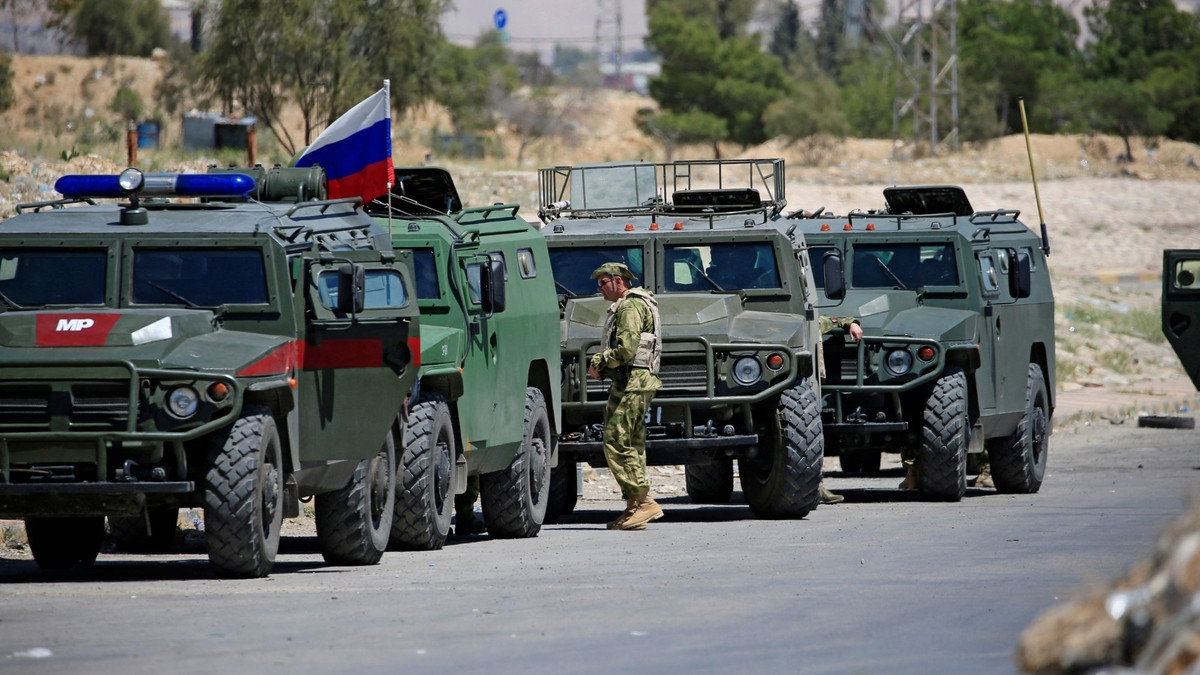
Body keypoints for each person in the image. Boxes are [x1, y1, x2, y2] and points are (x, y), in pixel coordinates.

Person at [586, 262, 664, 531]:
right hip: (635, 382)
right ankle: (635, 506)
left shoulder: (629, 306)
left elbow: (627, 350)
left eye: (603, 283)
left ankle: (644, 502)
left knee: (616, 440)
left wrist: (599, 362)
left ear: (619, 281)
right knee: (633, 442)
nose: (599, 289)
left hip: (633, 382)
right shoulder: (639, 302)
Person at [817, 314, 864, 504]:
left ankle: (815, 487)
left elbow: (835, 320)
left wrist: (852, 323)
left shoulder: (812, 322)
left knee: (813, 439)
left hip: (806, 389)